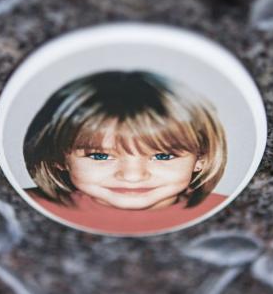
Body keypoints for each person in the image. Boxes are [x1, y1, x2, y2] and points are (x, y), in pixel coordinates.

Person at [22, 70, 228, 234]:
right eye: (100, 156)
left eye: (163, 156)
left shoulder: (227, 215)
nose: (132, 176)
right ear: (58, 157)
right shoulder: (23, 209)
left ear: (201, 157)